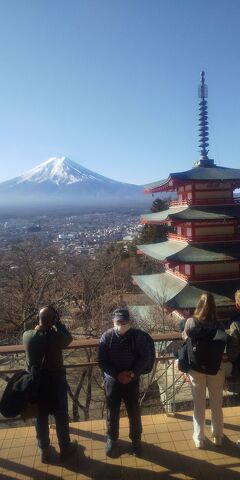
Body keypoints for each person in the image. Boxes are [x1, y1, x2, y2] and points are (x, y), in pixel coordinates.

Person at [23, 306, 77, 463]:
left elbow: (34, 334)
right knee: (61, 416)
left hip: (37, 384)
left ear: (38, 319)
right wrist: (58, 324)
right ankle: (65, 448)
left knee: (41, 417)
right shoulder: (56, 337)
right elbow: (68, 338)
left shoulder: (28, 336)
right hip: (56, 382)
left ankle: (44, 451)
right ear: (52, 320)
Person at [98, 308, 151, 458]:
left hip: (132, 380)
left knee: (134, 411)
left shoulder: (137, 336)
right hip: (112, 381)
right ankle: (111, 439)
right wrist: (116, 374)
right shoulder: (106, 337)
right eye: (118, 321)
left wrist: (133, 373)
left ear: (129, 321)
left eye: (124, 321)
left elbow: (145, 357)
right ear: (113, 322)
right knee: (112, 412)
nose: (121, 324)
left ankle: (136, 440)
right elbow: (102, 361)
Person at [182, 293, 226, 449]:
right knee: (216, 404)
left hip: (196, 368)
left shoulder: (191, 322)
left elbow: (186, 340)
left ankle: (199, 438)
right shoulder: (219, 326)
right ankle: (218, 436)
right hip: (215, 369)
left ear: (198, 305)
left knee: (199, 404)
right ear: (214, 307)